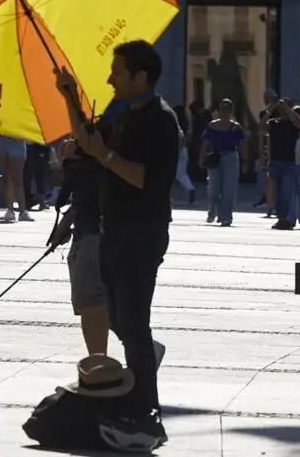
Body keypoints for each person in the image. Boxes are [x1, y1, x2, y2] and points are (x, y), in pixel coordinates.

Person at [56, 39, 177, 450]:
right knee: (122, 321)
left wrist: (103, 156)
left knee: (133, 323)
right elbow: (88, 137)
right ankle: (136, 395)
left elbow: (145, 178)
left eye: (117, 71)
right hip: (112, 228)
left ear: (140, 76)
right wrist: (70, 96)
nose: (110, 77)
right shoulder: (119, 112)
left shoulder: (160, 121)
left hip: (141, 233)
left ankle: (148, 412)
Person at [48, 138, 109, 356]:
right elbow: (82, 197)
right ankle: (138, 348)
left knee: (93, 307)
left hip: (95, 237)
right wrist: (66, 222)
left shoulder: (96, 144)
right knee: (104, 306)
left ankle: (98, 367)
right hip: (94, 232)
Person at [199, 98, 246, 226]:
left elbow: (242, 145)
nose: (224, 111)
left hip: (230, 158)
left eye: (227, 109)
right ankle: (212, 210)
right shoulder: (212, 125)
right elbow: (205, 144)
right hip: (215, 158)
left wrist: (245, 161)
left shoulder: (236, 127)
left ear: (231, 111)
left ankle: (226, 217)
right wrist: (202, 159)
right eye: (222, 108)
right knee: (214, 189)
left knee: (229, 189)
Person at [266, 98, 300, 230]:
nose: (282, 109)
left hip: (289, 163)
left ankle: (285, 220)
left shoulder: (292, 123)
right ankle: (281, 219)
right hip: (275, 161)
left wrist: (288, 109)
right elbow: (261, 126)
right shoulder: (273, 122)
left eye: (285, 107)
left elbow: (299, 123)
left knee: (286, 193)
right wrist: (270, 110)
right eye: (280, 107)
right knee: (277, 194)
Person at [0, 136, 31, 222]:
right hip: (2, 140)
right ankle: (10, 210)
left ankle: (23, 211)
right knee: (6, 179)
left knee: (17, 178)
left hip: (17, 141)